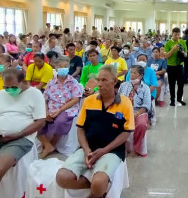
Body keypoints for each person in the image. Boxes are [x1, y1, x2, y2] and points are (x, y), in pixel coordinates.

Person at [56, 65, 134, 198]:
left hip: (112, 150)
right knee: (61, 178)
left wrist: (103, 151)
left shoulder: (125, 103)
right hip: (89, 147)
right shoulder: (89, 101)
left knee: (98, 185)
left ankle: (98, 186)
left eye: (104, 80)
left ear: (114, 81)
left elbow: (126, 132)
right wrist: (86, 150)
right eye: (99, 80)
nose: (100, 84)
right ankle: (97, 184)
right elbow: (80, 128)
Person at [0, 68, 46, 186]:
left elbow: (40, 122)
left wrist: (17, 135)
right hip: (0, 136)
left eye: (13, 87)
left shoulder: (35, 94)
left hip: (20, 139)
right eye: (6, 87)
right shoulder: (0, 94)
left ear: (23, 81)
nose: (9, 90)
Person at [38, 56, 83, 159]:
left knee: (60, 121)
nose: (63, 68)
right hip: (51, 109)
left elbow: (76, 99)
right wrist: (46, 112)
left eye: (66, 66)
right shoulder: (51, 82)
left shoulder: (73, 82)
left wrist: (59, 111)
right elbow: (45, 99)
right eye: (60, 66)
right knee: (37, 122)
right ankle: (47, 145)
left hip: (66, 109)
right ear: (56, 67)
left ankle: (53, 144)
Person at [118, 65, 151, 157]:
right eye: (131, 72)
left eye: (134, 73)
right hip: (123, 110)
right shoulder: (124, 85)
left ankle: (136, 148)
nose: (132, 75)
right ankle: (120, 147)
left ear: (140, 76)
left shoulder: (145, 88)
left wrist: (135, 114)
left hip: (139, 111)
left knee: (140, 125)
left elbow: (146, 105)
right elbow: (118, 99)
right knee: (114, 122)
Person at [164, 27, 187, 106]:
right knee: (172, 84)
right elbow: (166, 56)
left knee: (181, 84)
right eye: (175, 34)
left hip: (180, 66)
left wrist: (182, 52)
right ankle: (172, 100)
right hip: (171, 66)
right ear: (172, 34)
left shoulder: (182, 42)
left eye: (178, 34)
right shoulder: (168, 43)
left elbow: (186, 54)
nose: (177, 36)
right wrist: (173, 49)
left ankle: (179, 99)